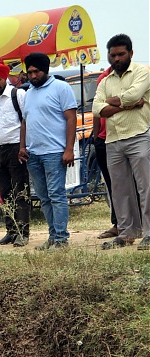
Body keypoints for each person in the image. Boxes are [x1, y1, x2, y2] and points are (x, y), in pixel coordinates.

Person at [92, 34, 150, 251]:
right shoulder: (105, 80)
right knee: (119, 189)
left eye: (120, 54)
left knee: (146, 186)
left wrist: (114, 102)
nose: (116, 58)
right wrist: (127, 104)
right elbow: (97, 109)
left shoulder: (142, 72)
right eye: (112, 55)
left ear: (131, 53)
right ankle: (126, 233)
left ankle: (149, 233)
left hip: (139, 135)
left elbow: (135, 95)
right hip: (113, 140)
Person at [18, 52, 77, 249]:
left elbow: (71, 119)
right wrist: (22, 147)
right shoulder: (28, 93)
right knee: (44, 198)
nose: (33, 76)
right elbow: (25, 122)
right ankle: (52, 236)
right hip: (33, 154)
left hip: (54, 153)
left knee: (56, 195)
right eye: (30, 72)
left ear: (46, 70)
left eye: (37, 71)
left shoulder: (61, 88)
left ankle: (61, 238)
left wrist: (69, 149)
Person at [0, 62, 30, 246]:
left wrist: (23, 147)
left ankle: (23, 233)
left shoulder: (18, 94)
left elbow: (26, 120)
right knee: (5, 193)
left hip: (15, 149)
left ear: (5, 78)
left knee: (20, 191)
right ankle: (11, 231)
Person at [92, 65, 119, 239]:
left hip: (126, 136)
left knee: (137, 183)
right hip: (104, 138)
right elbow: (97, 108)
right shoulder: (103, 78)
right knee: (112, 184)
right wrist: (96, 137)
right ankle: (118, 223)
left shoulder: (137, 75)